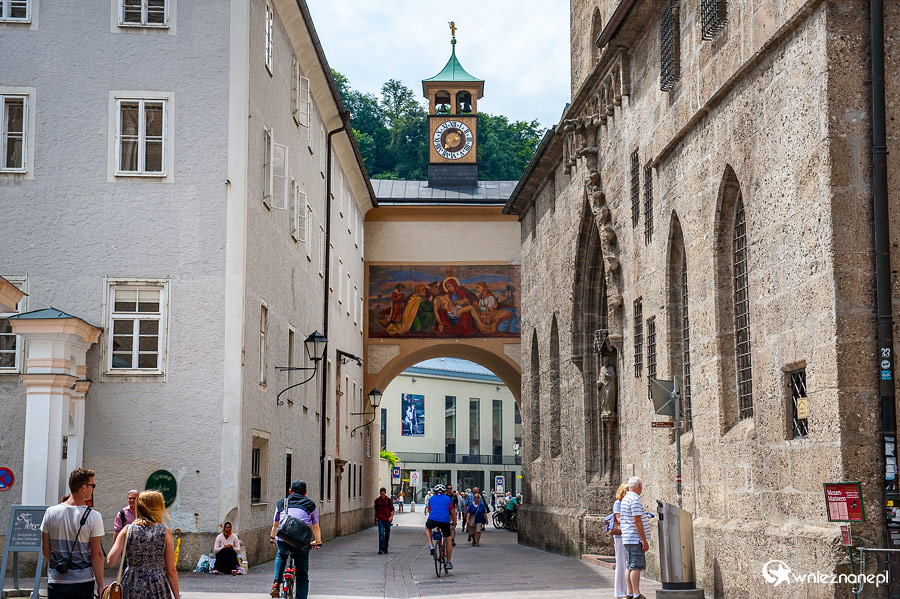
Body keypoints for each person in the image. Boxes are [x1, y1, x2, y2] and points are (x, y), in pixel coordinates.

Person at [40, 468, 104, 599]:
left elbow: (45, 549)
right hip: (83, 580)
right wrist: (101, 585)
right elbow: (96, 555)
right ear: (84, 487)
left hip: (57, 580)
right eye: (93, 485)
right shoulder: (93, 516)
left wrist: (58, 566)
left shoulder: (50, 512)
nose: (93, 489)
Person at [107, 490, 180, 599]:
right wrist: (177, 596)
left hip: (132, 583)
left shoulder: (128, 529)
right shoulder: (164, 531)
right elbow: (171, 570)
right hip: (156, 584)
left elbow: (111, 561)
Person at [270, 480, 322, 599]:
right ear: (305, 493)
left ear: (290, 491)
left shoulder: (282, 503)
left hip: (283, 538)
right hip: (301, 543)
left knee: (281, 554)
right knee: (302, 576)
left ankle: (276, 583)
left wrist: (273, 538)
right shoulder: (310, 504)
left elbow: (275, 524)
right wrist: (318, 541)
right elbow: (316, 526)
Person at [620, 476, 650, 599]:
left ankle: (630, 592)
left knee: (630, 566)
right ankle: (636, 594)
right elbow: (637, 521)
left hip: (628, 537)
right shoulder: (635, 500)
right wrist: (643, 539)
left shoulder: (626, 498)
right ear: (639, 486)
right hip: (634, 538)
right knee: (636, 566)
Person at [424, 484, 457, 570]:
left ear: (435, 492)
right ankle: (448, 562)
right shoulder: (448, 499)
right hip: (444, 520)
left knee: (427, 528)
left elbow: (430, 511)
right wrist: (454, 522)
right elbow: (453, 512)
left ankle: (431, 545)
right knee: (448, 539)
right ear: (444, 492)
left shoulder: (431, 499)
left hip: (433, 519)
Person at [611, 483, 628, 599]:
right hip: (620, 536)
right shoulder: (618, 503)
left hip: (627, 535)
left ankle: (627, 590)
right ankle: (620, 592)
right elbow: (619, 519)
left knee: (627, 563)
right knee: (621, 562)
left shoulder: (626, 503)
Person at [374, 487, 394, 554]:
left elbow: (392, 510)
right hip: (380, 519)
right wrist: (375, 519)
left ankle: (385, 547)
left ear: (385, 493)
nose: (382, 495)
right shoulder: (377, 501)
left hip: (387, 519)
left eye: (383, 494)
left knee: (387, 534)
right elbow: (376, 511)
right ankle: (381, 549)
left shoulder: (389, 500)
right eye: (381, 494)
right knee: (381, 534)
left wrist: (391, 517)